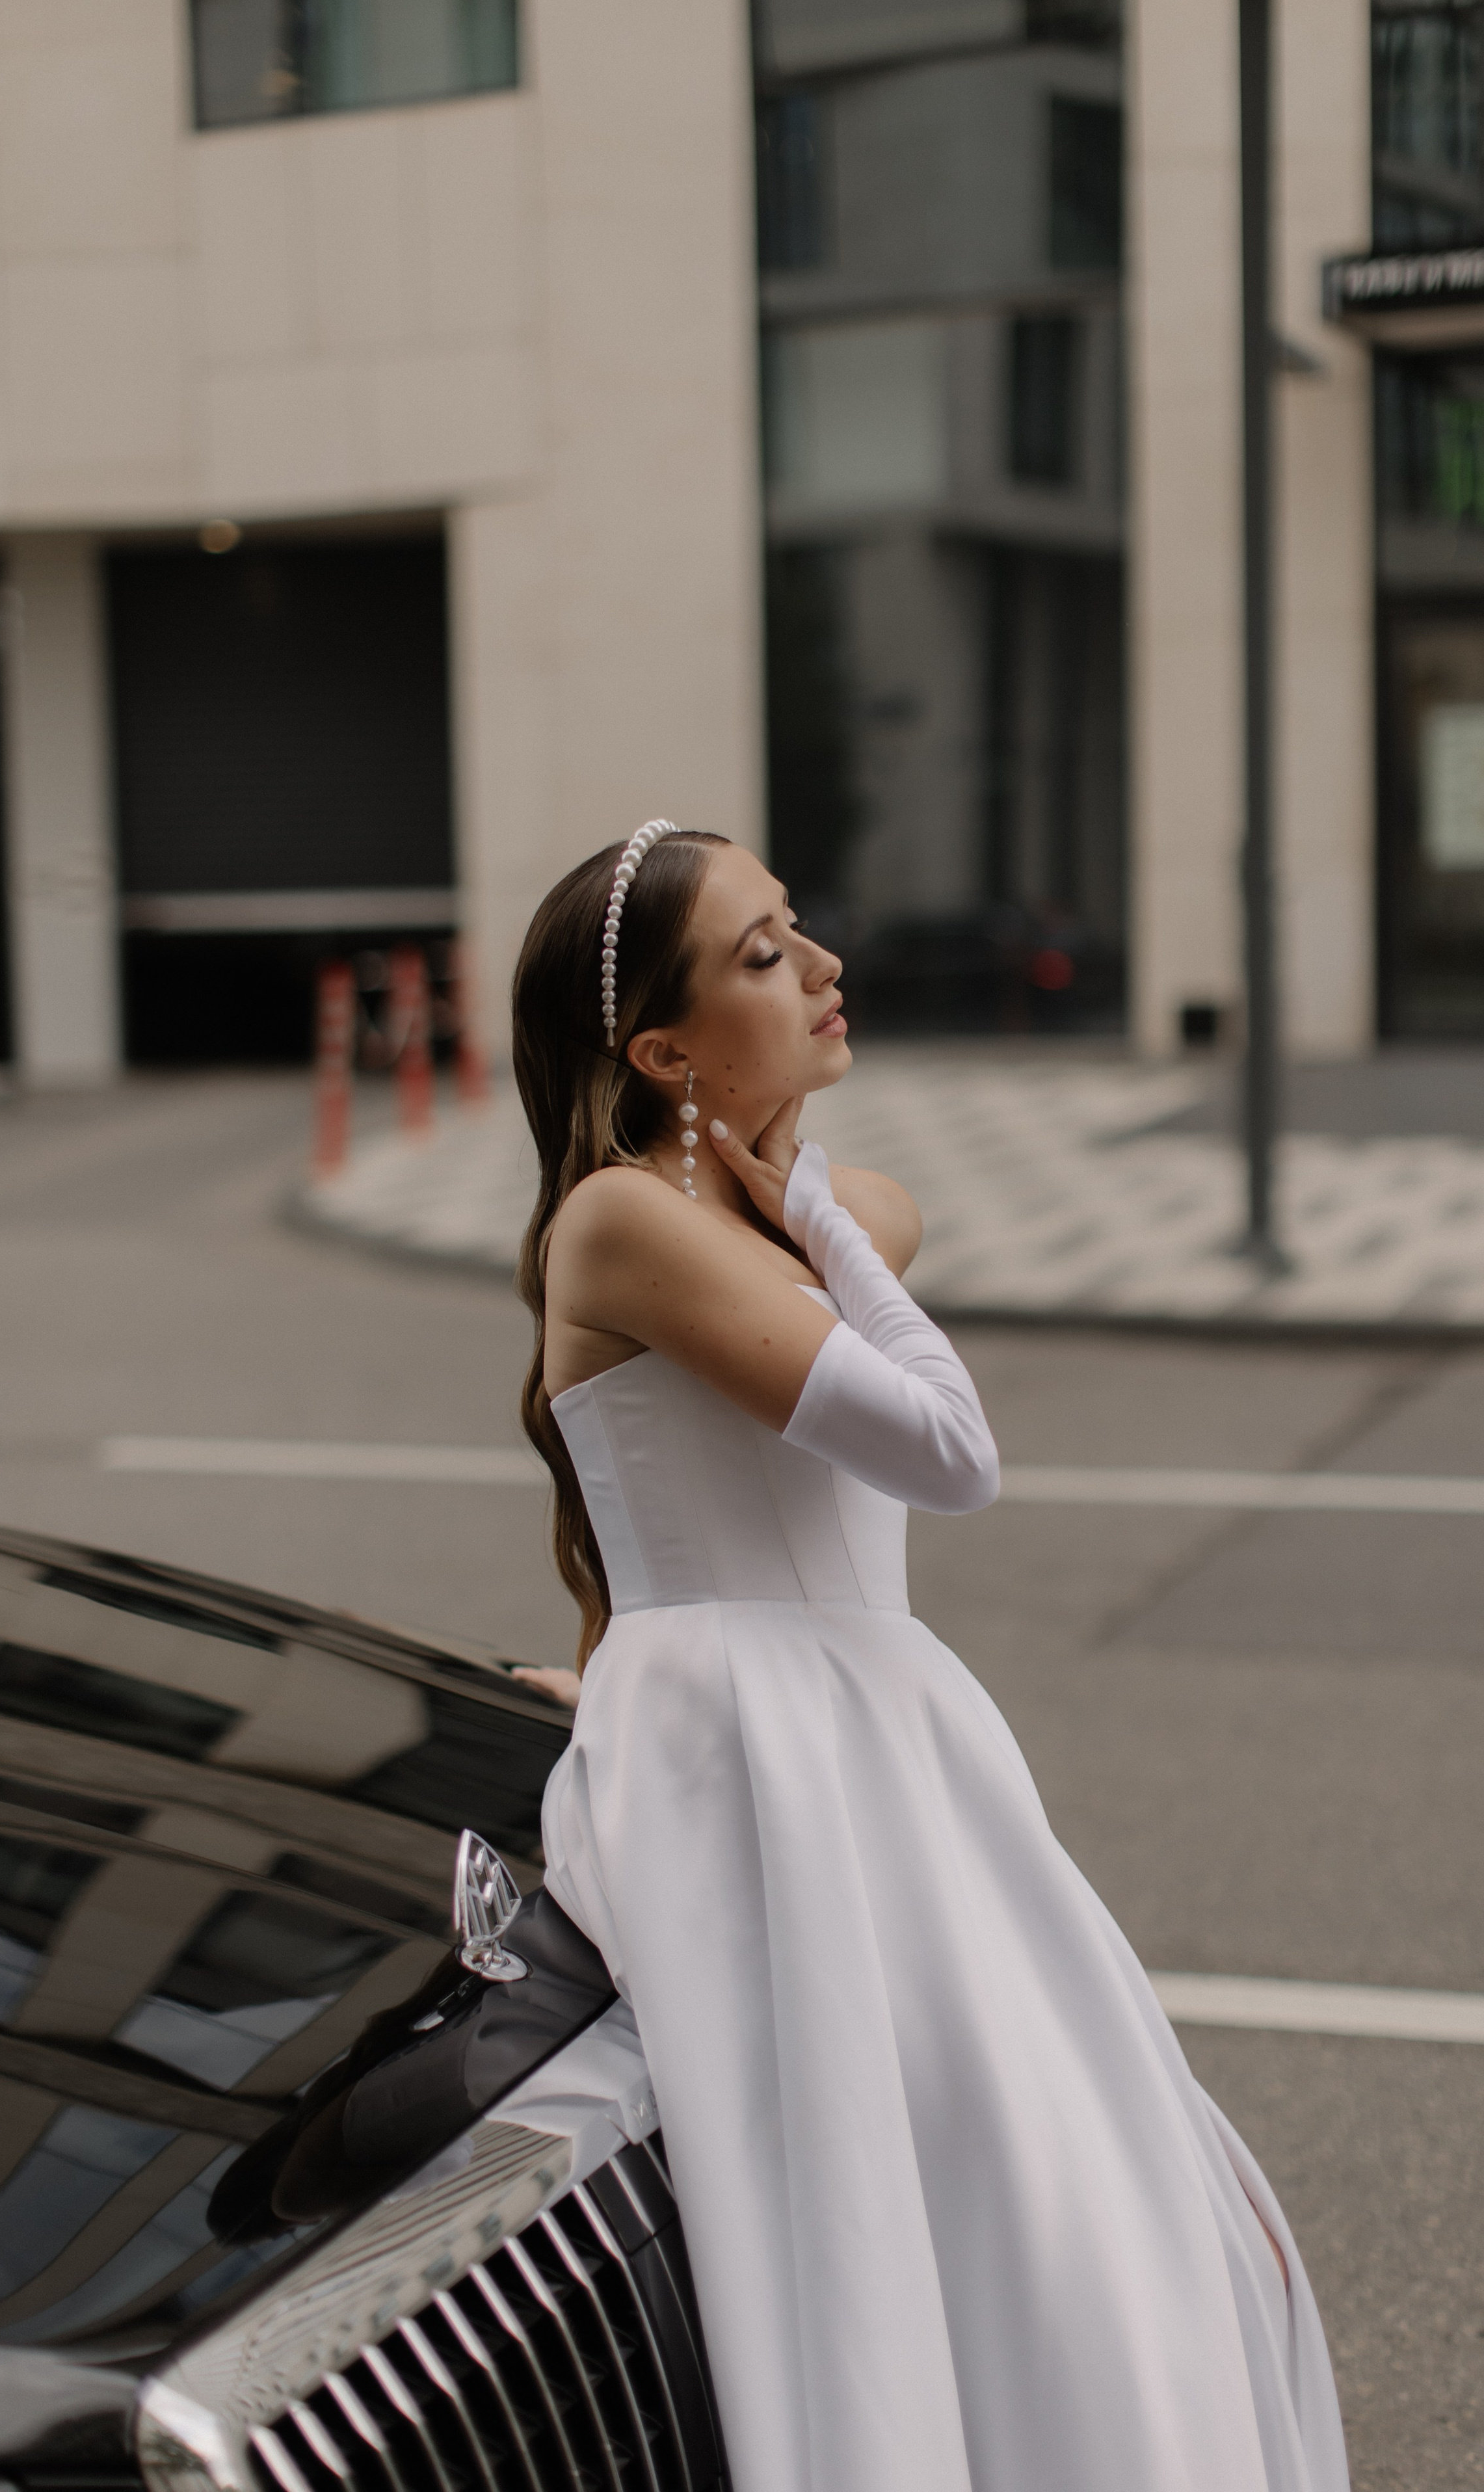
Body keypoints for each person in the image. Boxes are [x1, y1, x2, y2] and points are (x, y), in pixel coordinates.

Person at [507, 821, 1349, 2492]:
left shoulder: (785, 1212)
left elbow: (881, 1221)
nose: (823, 967)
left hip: (883, 1729)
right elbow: (946, 1451)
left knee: (1046, 2152)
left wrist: (821, 1213)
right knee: (856, 2191)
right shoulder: (619, 1222)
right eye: (763, 954)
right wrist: (821, 1222)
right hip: (747, 1752)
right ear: (661, 1052)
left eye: (797, 927)